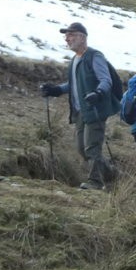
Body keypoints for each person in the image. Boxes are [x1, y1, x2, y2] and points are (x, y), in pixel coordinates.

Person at [40, 21, 121, 190]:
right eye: (66, 36)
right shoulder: (75, 60)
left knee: (92, 148)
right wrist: (56, 90)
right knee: (82, 149)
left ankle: (95, 182)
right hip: (80, 112)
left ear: (82, 37)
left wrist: (98, 94)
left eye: (71, 35)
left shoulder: (95, 56)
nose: (67, 39)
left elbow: (106, 80)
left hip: (95, 110)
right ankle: (111, 174)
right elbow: (73, 84)